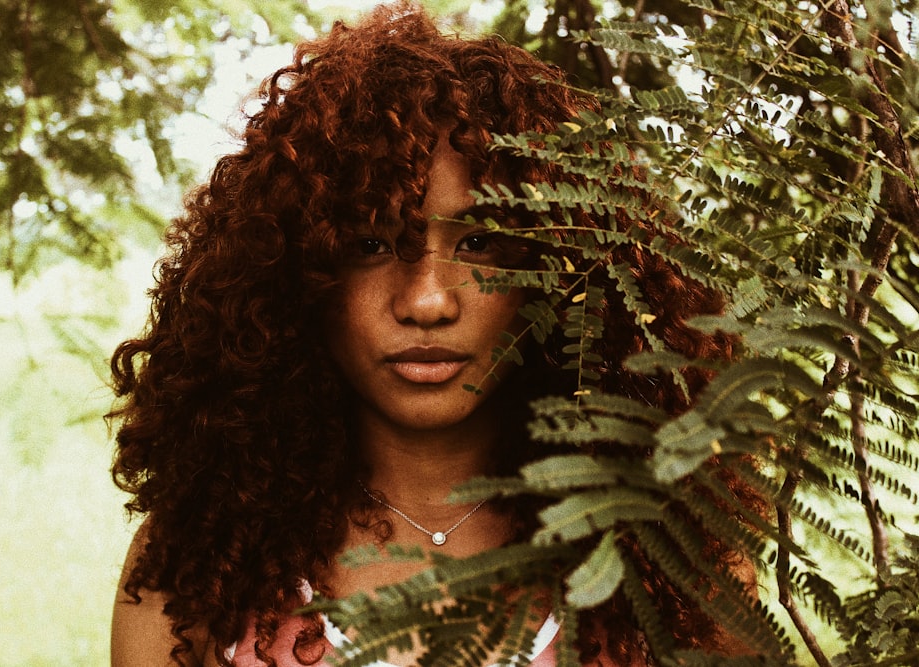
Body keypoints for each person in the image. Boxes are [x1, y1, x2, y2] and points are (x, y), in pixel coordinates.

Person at [108, 3, 757, 666]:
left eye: (479, 242)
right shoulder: (196, 566)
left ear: (559, 269)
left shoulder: (679, 560)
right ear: (296, 272)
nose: (426, 301)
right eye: (371, 242)